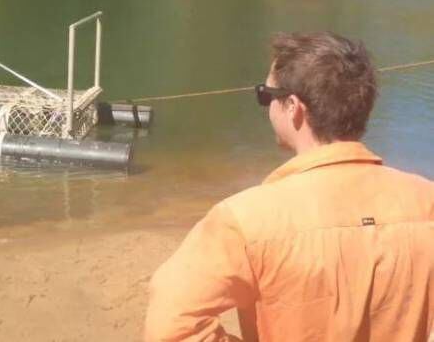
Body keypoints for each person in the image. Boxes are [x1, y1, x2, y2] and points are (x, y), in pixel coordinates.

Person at [145, 32, 434, 341]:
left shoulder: (244, 220)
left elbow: (170, 325)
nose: (266, 104)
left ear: (294, 107)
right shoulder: (426, 201)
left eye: (265, 95)